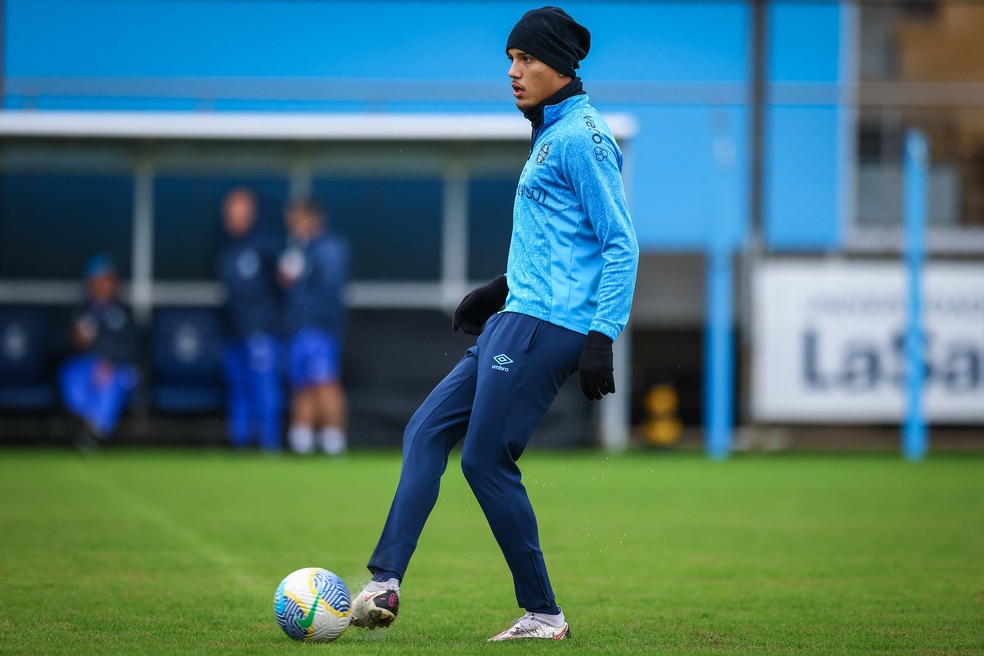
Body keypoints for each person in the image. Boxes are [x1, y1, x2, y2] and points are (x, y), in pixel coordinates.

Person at [350, 6, 639, 642]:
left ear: (559, 66)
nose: (513, 71)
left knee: (484, 461)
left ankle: (544, 614)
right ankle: (384, 581)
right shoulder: (549, 132)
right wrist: (500, 288)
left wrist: (603, 335)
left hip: (546, 326)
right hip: (518, 315)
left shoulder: (581, 138)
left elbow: (619, 243)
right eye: (510, 58)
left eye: (526, 59)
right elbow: (563, 239)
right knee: (425, 430)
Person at [278, 198, 350, 455]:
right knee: (303, 382)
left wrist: (318, 326)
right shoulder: (301, 248)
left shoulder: (329, 248)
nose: (292, 226)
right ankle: (302, 438)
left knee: (325, 381)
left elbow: (328, 292)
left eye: (296, 220)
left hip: (320, 329)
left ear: (311, 218)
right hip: (300, 327)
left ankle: (334, 438)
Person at [215, 187, 284, 451]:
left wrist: (269, 322)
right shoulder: (226, 248)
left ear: (250, 213)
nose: (230, 219)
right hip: (232, 332)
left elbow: (282, 289)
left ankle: (269, 444)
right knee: (238, 390)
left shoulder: (267, 245)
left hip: (260, 332)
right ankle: (240, 444)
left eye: (235, 212)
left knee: (264, 391)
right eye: (228, 213)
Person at [60, 254, 139, 447]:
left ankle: (96, 428)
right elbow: (58, 346)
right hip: (86, 364)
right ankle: (81, 421)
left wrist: (109, 362)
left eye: (108, 280)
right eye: (99, 280)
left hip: (117, 367)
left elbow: (134, 346)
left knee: (112, 378)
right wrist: (75, 339)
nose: (104, 285)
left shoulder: (124, 312)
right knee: (71, 373)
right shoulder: (79, 311)